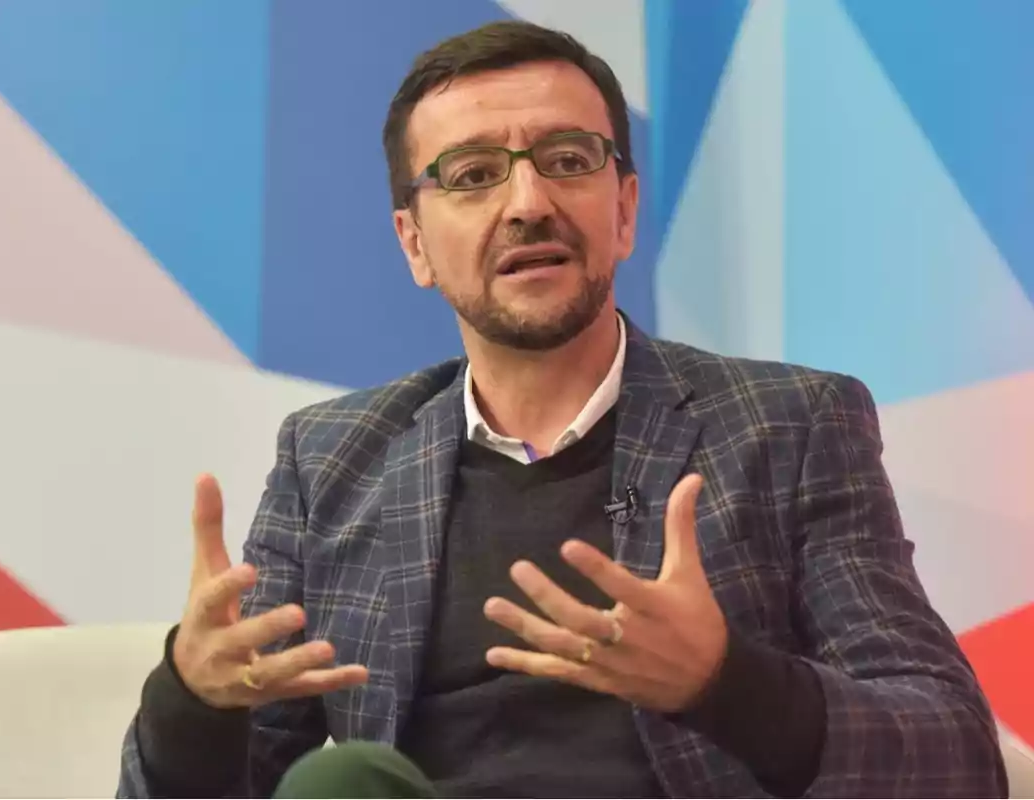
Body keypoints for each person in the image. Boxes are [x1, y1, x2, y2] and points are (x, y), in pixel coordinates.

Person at [116, 20, 1007, 799]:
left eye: (568, 160)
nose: (528, 202)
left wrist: (723, 682)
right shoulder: (332, 460)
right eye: (471, 174)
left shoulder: (789, 425)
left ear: (622, 210)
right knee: (339, 782)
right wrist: (189, 697)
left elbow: (955, 759)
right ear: (415, 244)